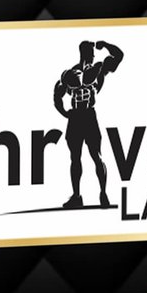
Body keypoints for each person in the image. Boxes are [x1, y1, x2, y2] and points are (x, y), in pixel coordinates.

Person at [52, 39, 124, 208]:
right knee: (75, 158)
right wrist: (65, 113)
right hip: (76, 117)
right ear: (85, 53)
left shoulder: (99, 70)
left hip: (89, 116)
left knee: (96, 156)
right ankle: (77, 196)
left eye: (92, 53)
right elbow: (57, 94)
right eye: (91, 53)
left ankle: (103, 194)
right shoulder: (70, 74)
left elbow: (119, 56)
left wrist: (105, 45)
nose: (93, 56)